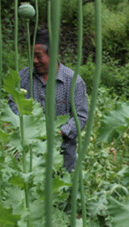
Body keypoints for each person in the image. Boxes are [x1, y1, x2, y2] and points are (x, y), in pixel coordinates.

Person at [9, 29, 88, 172]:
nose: (34, 61)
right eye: (31, 56)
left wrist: (57, 133)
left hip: (62, 155)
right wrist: (26, 124)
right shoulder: (23, 77)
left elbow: (81, 117)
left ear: (54, 54)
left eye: (39, 56)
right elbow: (13, 103)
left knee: (61, 190)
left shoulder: (73, 81)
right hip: (28, 153)